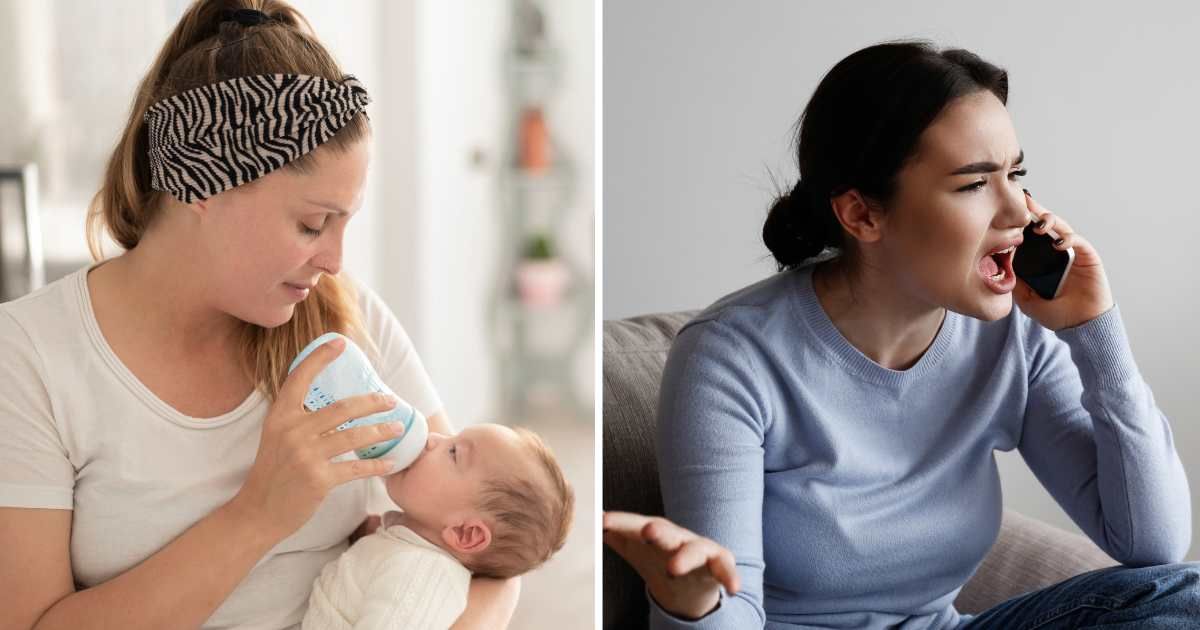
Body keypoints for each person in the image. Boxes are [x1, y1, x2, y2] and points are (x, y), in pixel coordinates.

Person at [603, 40, 1199, 629]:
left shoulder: (1014, 334)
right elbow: (732, 611)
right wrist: (697, 604)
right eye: (973, 184)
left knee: (1185, 596)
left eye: (1015, 174)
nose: (1019, 212)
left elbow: (1153, 543)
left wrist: (1096, 334)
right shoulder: (730, 359)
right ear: (862, 214)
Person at [0, 2, 519, 628]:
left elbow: (491, 557)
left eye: (344, 223)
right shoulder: (28, 357)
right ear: (200, 181)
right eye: (312, 224)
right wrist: (259, 515)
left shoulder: (343, 323)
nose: (334, 260)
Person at [302, 423, 574, 629]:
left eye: (453, 452)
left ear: (465, 533)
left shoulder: (421, 576)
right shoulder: (404, 547)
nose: (432, 438)